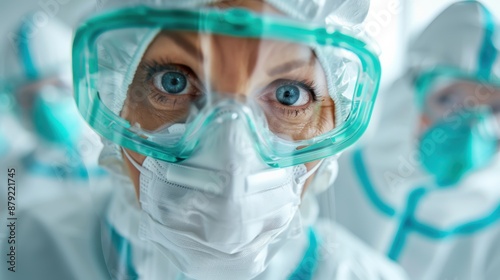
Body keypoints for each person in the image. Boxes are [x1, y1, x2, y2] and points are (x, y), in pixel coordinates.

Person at [73, 0, 410, 279]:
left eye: (288, 95)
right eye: (172, 82)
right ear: (114, 96)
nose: (231, 157)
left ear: (335, 114)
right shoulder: (35, 250)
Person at [333, 1, 500, 280]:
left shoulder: (492, 228)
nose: (471, 125)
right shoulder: (334, 179)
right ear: (408, 97)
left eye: (494, 109)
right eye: (449, 100)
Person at [0, 14, 111, 280]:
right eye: (30, 96)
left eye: (58, 87)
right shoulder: (10, 180)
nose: (46, 105)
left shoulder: (121, 158)